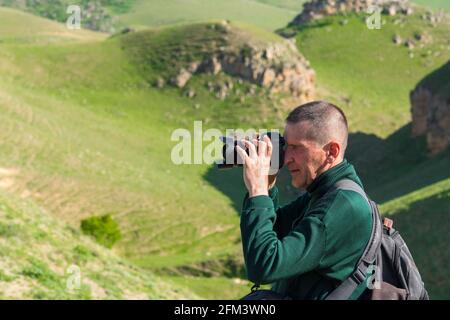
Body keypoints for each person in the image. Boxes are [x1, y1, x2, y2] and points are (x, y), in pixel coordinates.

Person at [236, 100, 372, 300]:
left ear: (331, 152)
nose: (287, 157)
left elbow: (263, 267)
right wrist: (266, 186)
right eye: (285, 146)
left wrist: (257, 189)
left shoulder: (342, 205)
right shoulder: (323, 194)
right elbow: (276, 234)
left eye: (296, 148)